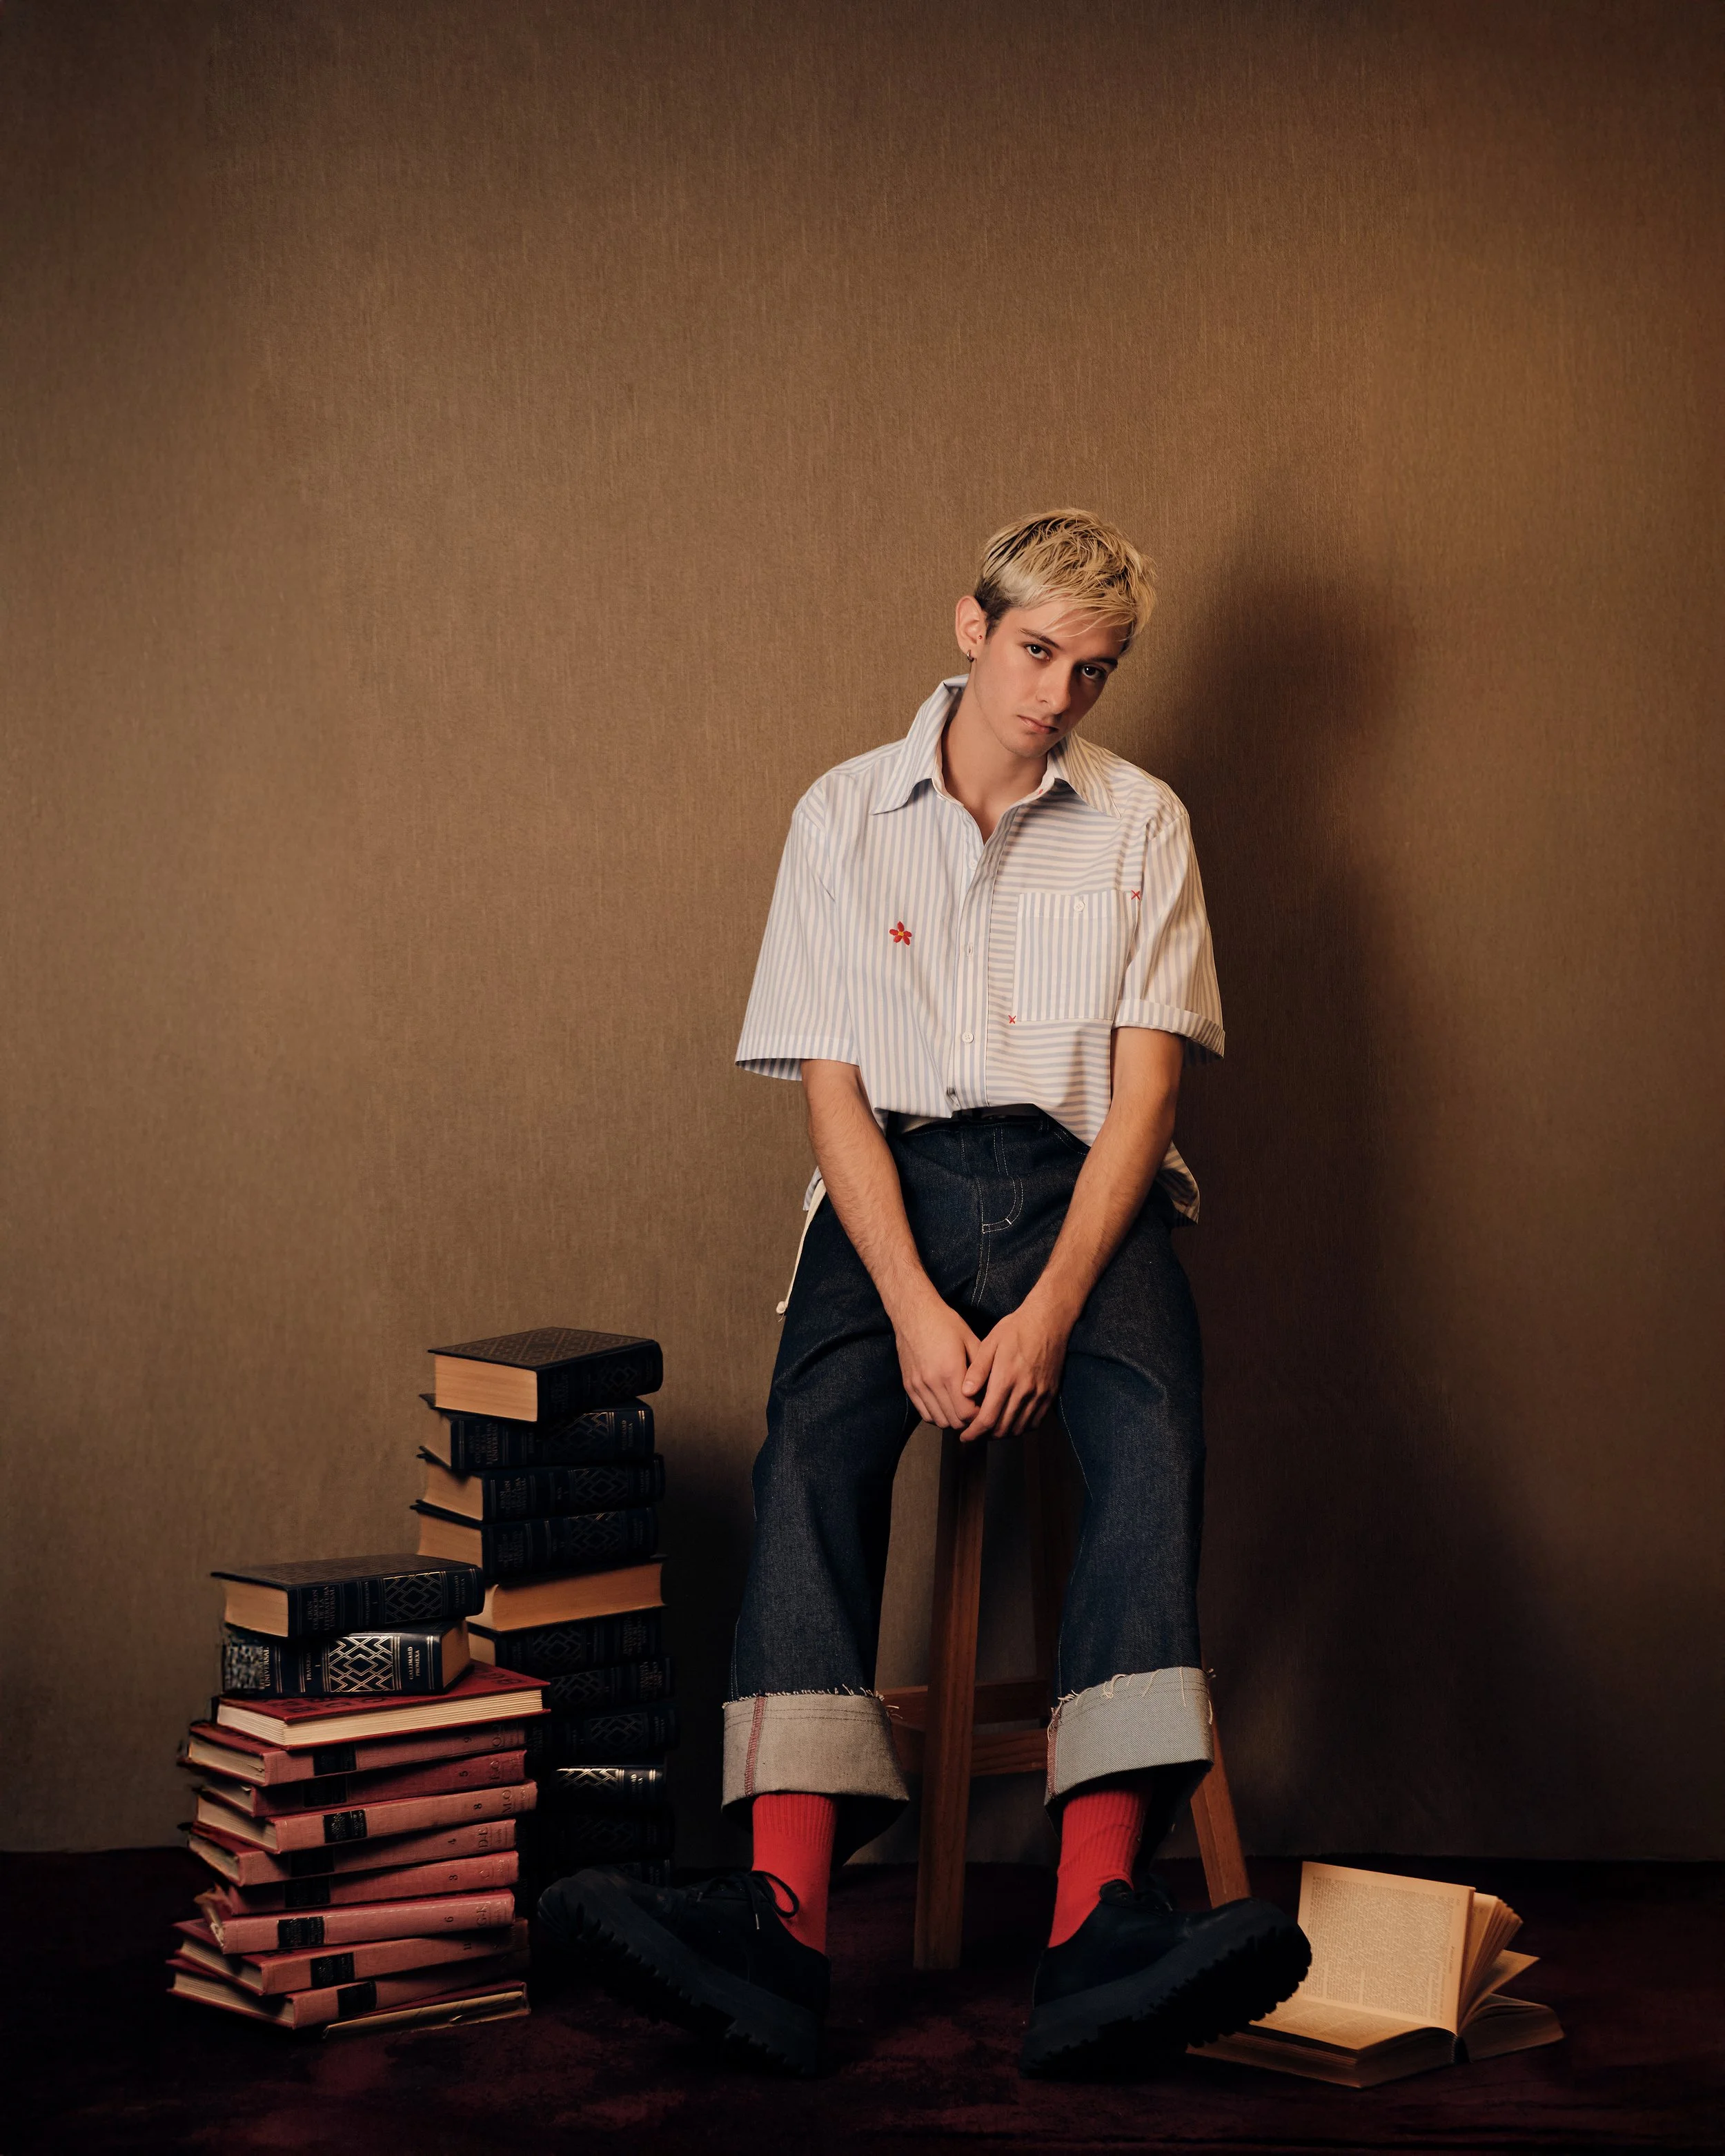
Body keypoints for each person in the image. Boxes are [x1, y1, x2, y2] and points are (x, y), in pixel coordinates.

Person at [539, 509, 1308, 2077]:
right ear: (968, 626)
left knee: (1153, 1431)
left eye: (1090, 671)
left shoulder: (1142, 821)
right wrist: (905, 1303)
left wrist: (1045, 1309)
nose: (1055, 695)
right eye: (1034, 653)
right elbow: (828, 1087)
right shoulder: (839, 814)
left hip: (1083, 1191)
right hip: (891, 1186)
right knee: (813, 1439)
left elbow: (1147, 1097)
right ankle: (779, 1921)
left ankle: (1098, 1928)